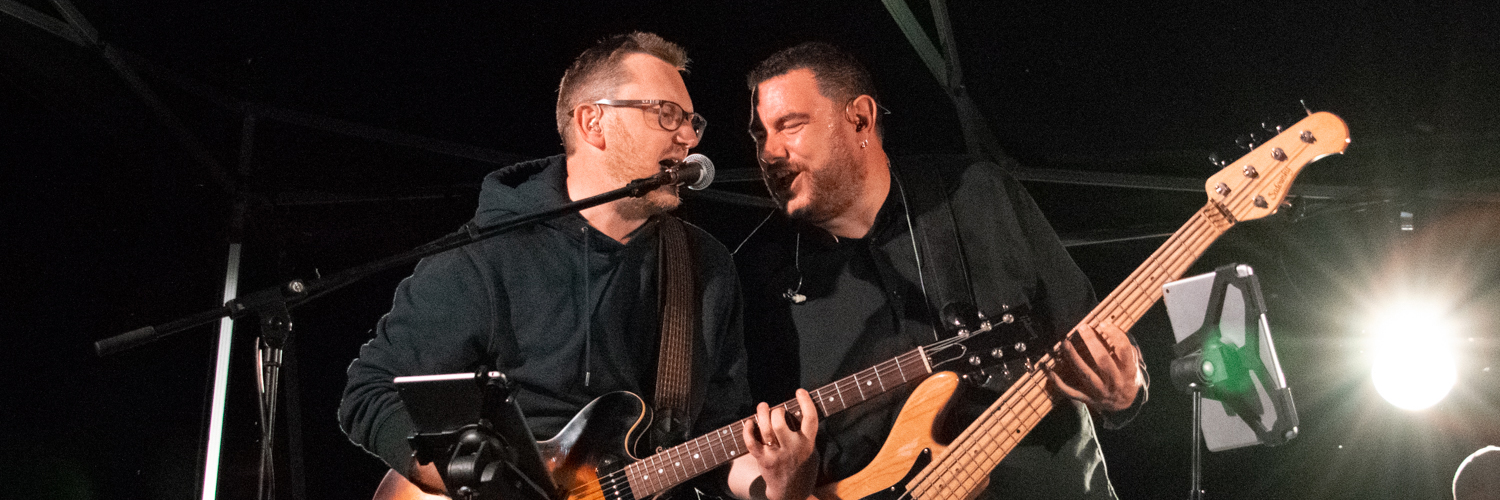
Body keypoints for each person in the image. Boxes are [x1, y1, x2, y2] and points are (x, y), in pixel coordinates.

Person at [339, 32, 817, 500]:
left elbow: (715, 439)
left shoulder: (704, 266)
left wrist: (777, 482)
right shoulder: (485, 256)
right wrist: (474, 479)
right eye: (667, 114)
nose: (689, 135)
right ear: (593, 123)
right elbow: (371, 391)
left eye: (692, 120)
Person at [734, 42, 1147, 499]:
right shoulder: (756, 275)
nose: (769, 152)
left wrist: (1126, 390)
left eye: (789, 125)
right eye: (758, 136)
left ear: (860, 119)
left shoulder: (978, 194)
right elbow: (757, 453)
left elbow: (1095, 336)